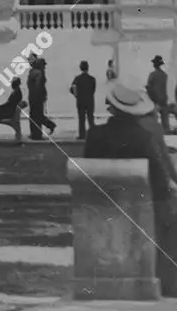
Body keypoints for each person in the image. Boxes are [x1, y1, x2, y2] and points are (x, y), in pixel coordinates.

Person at [85, 81, 177, 296]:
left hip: (104, 208)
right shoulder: (144, 138)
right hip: (140, 210)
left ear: (111, 107)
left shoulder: (94, 135)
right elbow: (160, 185)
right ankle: (169, 285)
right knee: (171, 221)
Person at [26, 56, 56, 140]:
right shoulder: (39, 73)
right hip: (36, 97)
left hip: (34, 97)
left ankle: (35, 134)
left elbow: (37, 86)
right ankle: (37, 133)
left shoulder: (34, 72)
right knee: (37, 116)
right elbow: (39, 86)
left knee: (34, 116)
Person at [72, 61, 98, 140]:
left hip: (80, 101)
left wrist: (76, 95)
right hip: (90, 100)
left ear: (80, 68)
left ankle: (82, 135)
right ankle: (93, 135)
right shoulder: (92, 79)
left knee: (81, 119)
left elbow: (72, 89)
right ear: (88, 68)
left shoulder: (77, 79)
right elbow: (93, 90)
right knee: (90, 118)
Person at [149, 57, 171, 134]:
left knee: (152, 120)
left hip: (156, 102)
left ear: (154, 65)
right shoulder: (165, 76)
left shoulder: (152, 75)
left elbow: (149, 89)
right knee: (166, 126)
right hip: (164, 102)